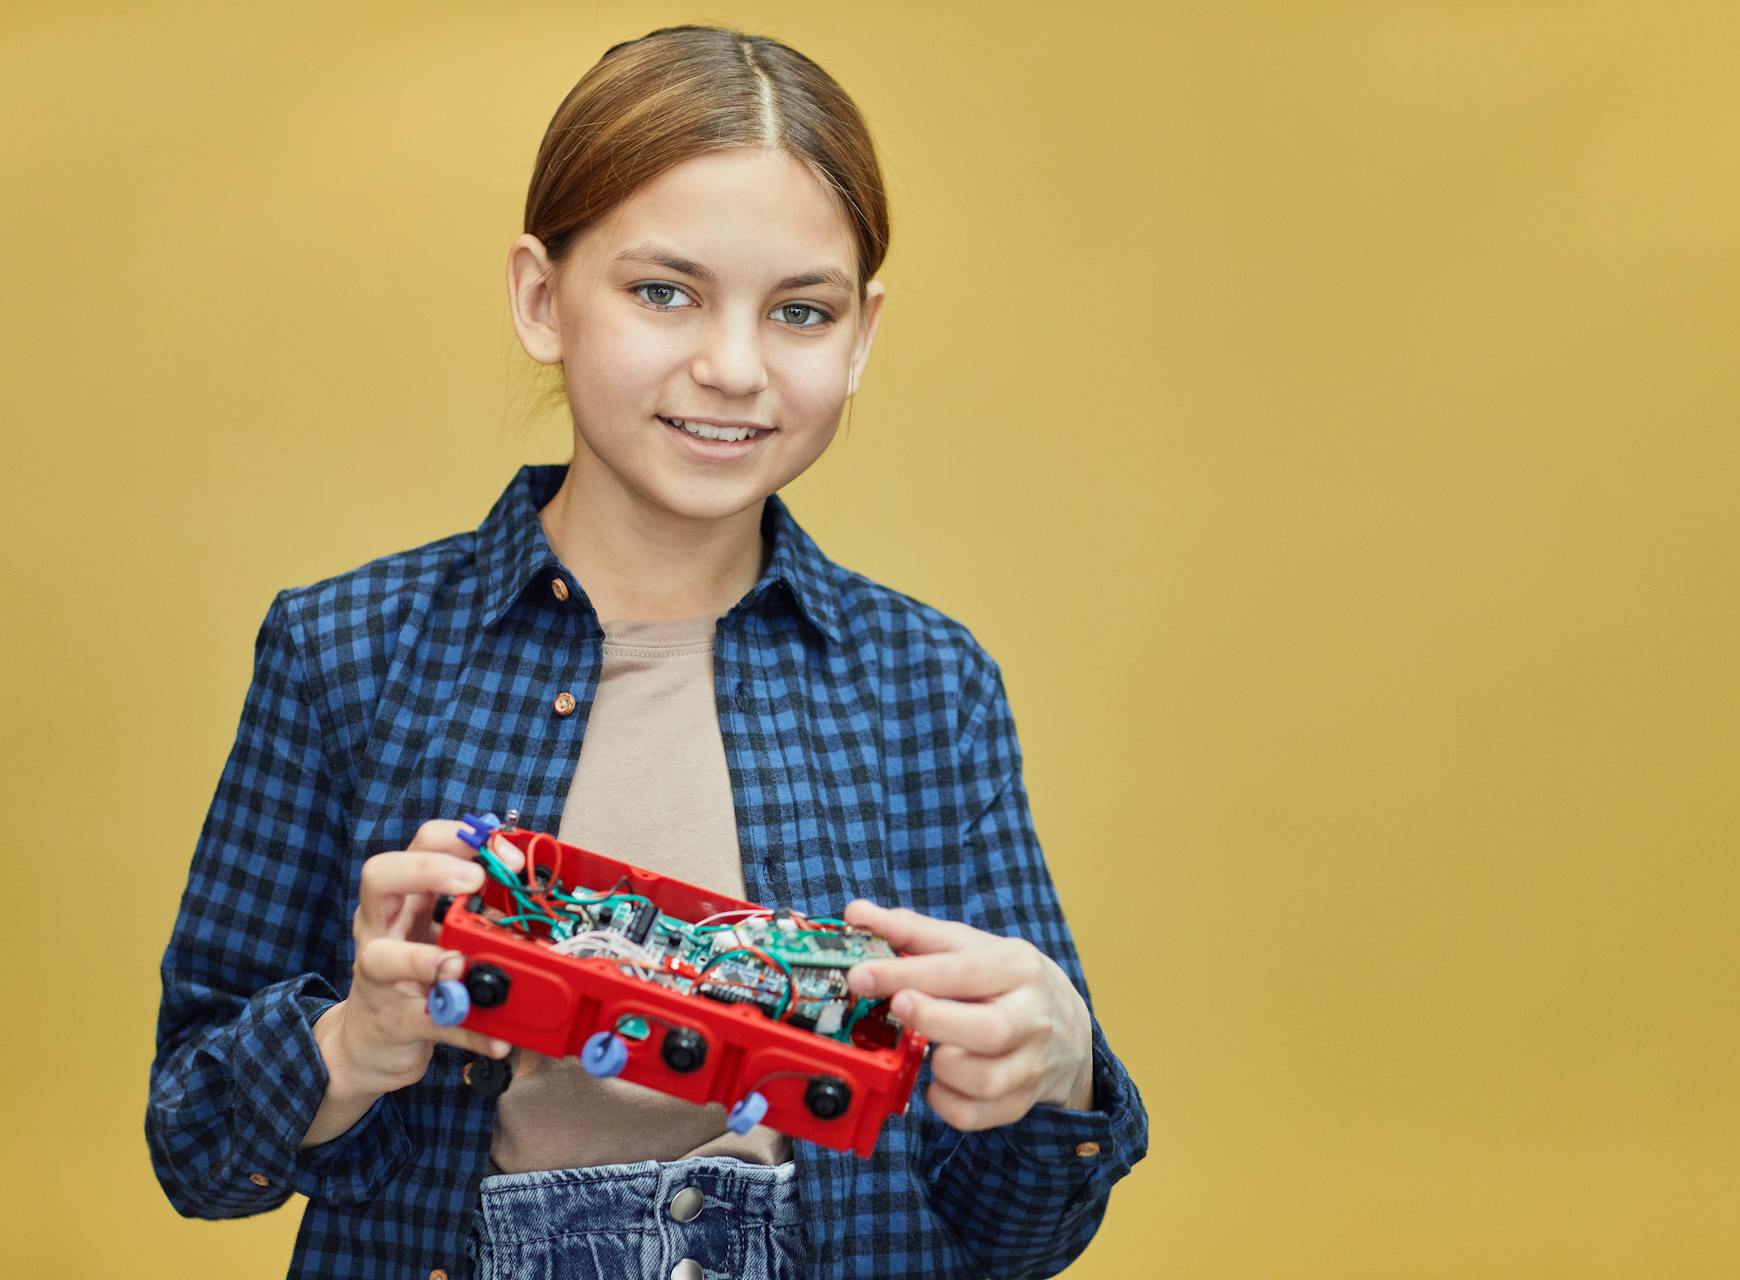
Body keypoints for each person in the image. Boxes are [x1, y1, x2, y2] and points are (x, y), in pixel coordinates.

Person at [146, 23, 1148, 1280]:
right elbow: (192, 1142)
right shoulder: (345, 649)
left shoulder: (927, 685)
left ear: (863, 335)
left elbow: (1022, 1231)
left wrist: (1057, 1070)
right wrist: (353, 1040)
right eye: (663, 290)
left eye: (800, 310)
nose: (731, 367)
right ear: (539, 296)